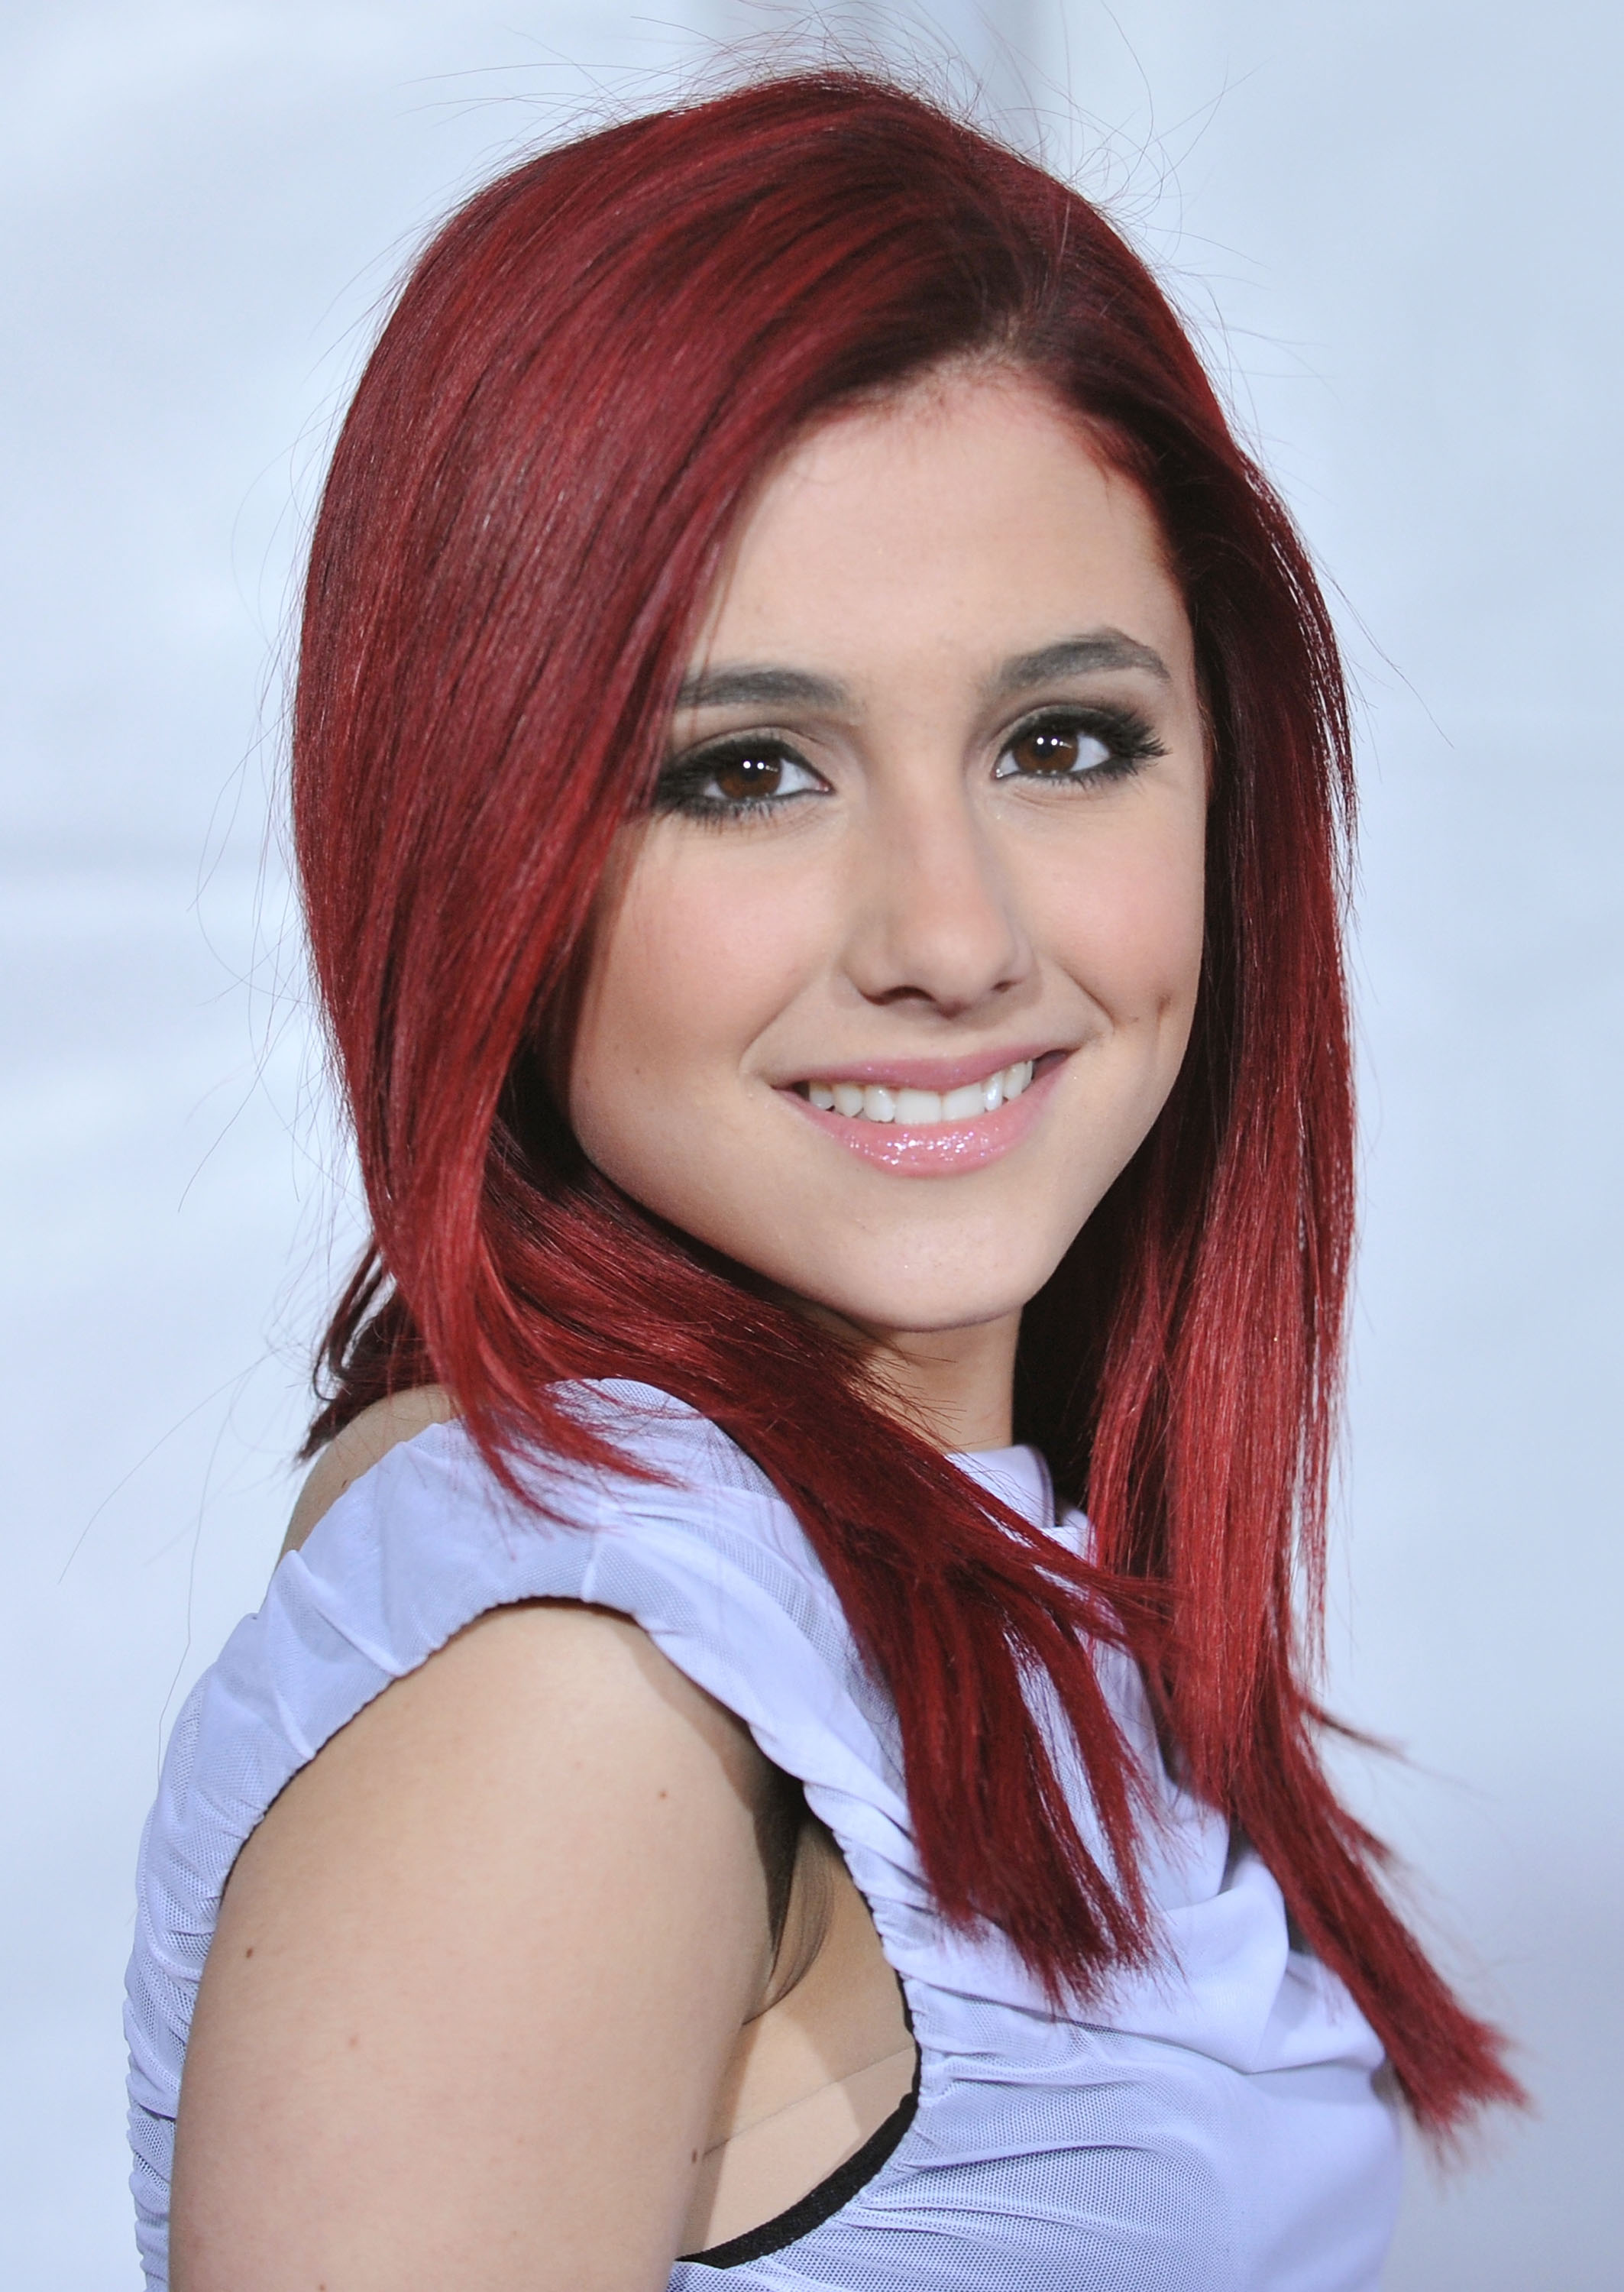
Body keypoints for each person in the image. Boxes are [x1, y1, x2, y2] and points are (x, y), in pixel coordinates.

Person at [124, 69, 1519, 2292]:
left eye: (1063, 741)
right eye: (747, 769)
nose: (950, 939)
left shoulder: (887, 1556)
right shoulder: (577, 1706)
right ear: (482, 839)